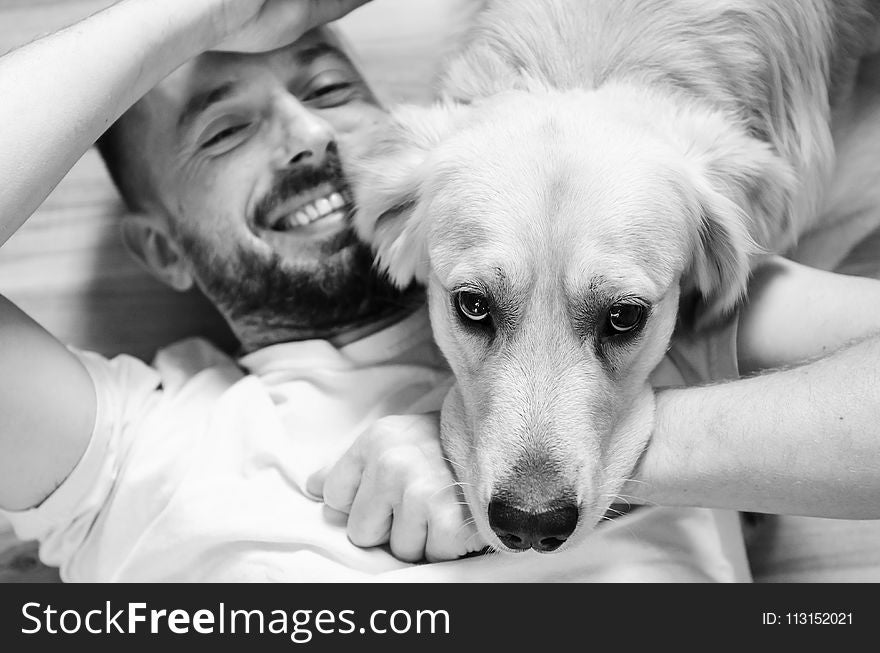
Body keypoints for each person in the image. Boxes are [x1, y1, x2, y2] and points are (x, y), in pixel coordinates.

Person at [0, 0, 878, 582]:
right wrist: (191, 13)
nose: (309, 134)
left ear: (400, 200)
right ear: (161, 249)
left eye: (331, 89)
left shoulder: (674, 316)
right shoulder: (136, 447)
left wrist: (635, 450)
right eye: (225, 129)